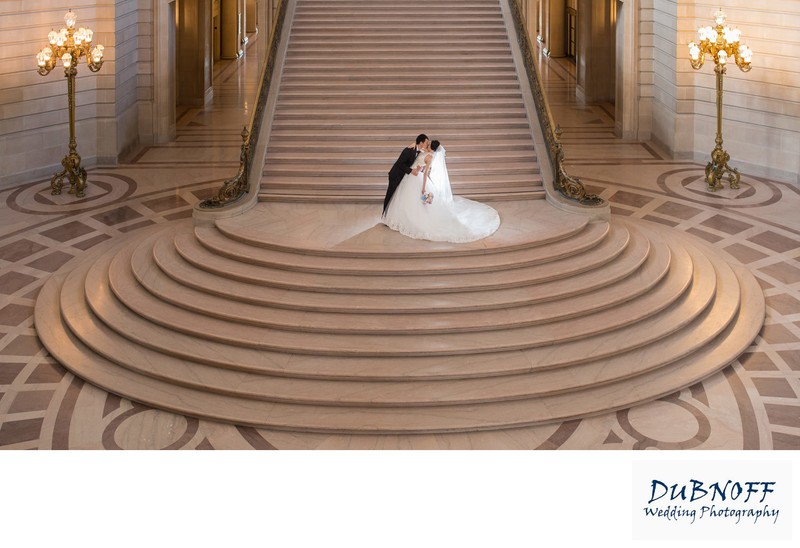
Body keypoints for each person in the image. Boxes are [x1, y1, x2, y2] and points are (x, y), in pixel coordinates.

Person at [382, 140, 500, 242]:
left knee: (413, 201)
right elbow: (417, 155)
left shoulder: (429, 157)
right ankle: (396, 217)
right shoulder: (424, 152)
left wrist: (423, 187)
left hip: (416, 179)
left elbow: (425, 173)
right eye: (426, 143)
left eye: (428, 144)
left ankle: (409, 219)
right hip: (410, 177)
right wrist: (413, 145)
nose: (426, 145)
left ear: (431, 148)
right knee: (404, 199)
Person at [383, 134, 429, 216]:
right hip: (396, 175)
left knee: (396, 197)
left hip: (403, 176)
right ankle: (384, 215)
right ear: (421, 142)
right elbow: (400, 163)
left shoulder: (418, 151)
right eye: (426, 142)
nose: (427, 144)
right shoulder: (408, 150)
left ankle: (392, 215)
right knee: (390, 196)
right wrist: (411, 171)